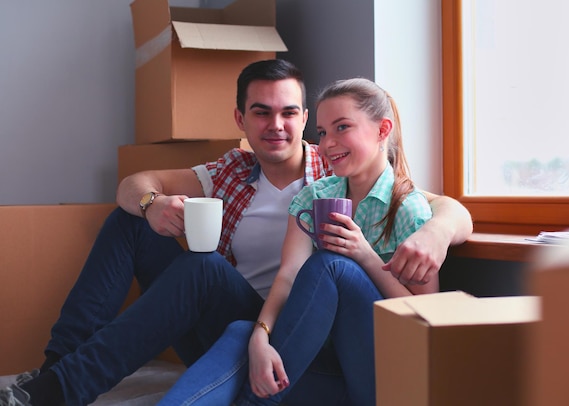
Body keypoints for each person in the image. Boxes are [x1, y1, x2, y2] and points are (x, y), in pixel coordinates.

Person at [0, 60, 472, 406]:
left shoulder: (332, 171)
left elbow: (434, 205)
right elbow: (133, 185)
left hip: (300, 327)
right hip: (239, 315)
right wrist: (153, 205)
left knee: (203, 268)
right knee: (131, 220)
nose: (277, 125)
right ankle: (55, 373)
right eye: (262, 113)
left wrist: (438, 230)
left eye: (289, 113)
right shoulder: (231, 170)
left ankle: (56, 391)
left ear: (304, 119)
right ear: (240, 121)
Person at [158, 77, 441, 406]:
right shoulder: (316, 196)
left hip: (380, 371)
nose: (328, 143)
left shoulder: (408, 208)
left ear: (382, 130)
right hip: (320, 364)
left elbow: (428, 320)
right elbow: (288, 275)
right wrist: (261, 335)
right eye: (322, 132)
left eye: (342, 127)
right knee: (241, 333)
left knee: (331, 266)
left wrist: (364, 255)